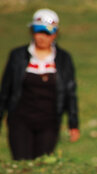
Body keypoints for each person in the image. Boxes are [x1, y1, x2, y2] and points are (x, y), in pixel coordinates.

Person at [0, 8, 80, 161]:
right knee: (22, 163)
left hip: (49, 121)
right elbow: (5, 90)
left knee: (42, 163)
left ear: (55, 34)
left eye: (47, 32)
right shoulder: (18, 56)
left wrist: (73, 123)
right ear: (32, 31)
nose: (42, 37)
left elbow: (70, 93)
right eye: (38, 31)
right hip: (20, 120)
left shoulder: (63, 59)